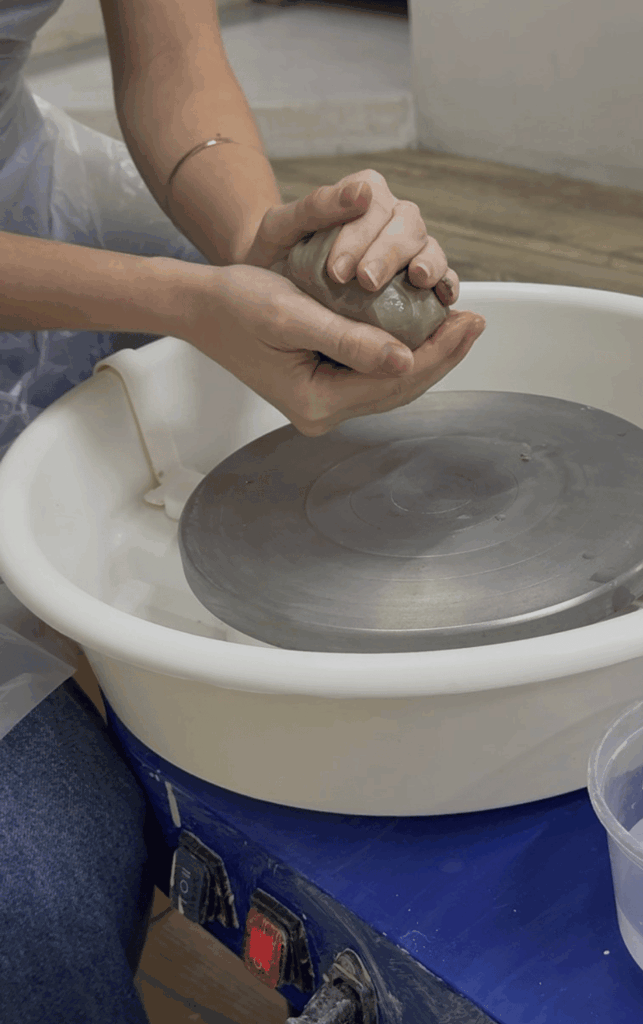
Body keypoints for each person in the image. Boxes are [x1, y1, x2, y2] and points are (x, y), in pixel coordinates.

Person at [0, 0, 486, 1018]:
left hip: (25, 192)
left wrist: (270, 247)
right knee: (36, 912)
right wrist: (179, 300)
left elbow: (171, 62)